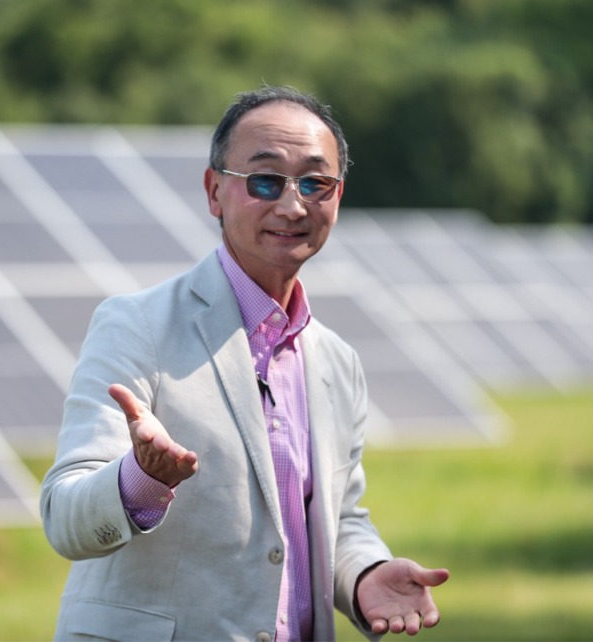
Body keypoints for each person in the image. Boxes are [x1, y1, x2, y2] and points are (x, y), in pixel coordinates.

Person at [40, 85, 449, 641]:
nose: (292, 204)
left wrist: (365, 575)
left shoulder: (335, 361)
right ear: (214, 192)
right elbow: (64, 518)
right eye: (265, 181)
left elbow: (336, 518)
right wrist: (139, 480)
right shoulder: (136, 326)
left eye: (315, 182)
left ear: (337, 195)